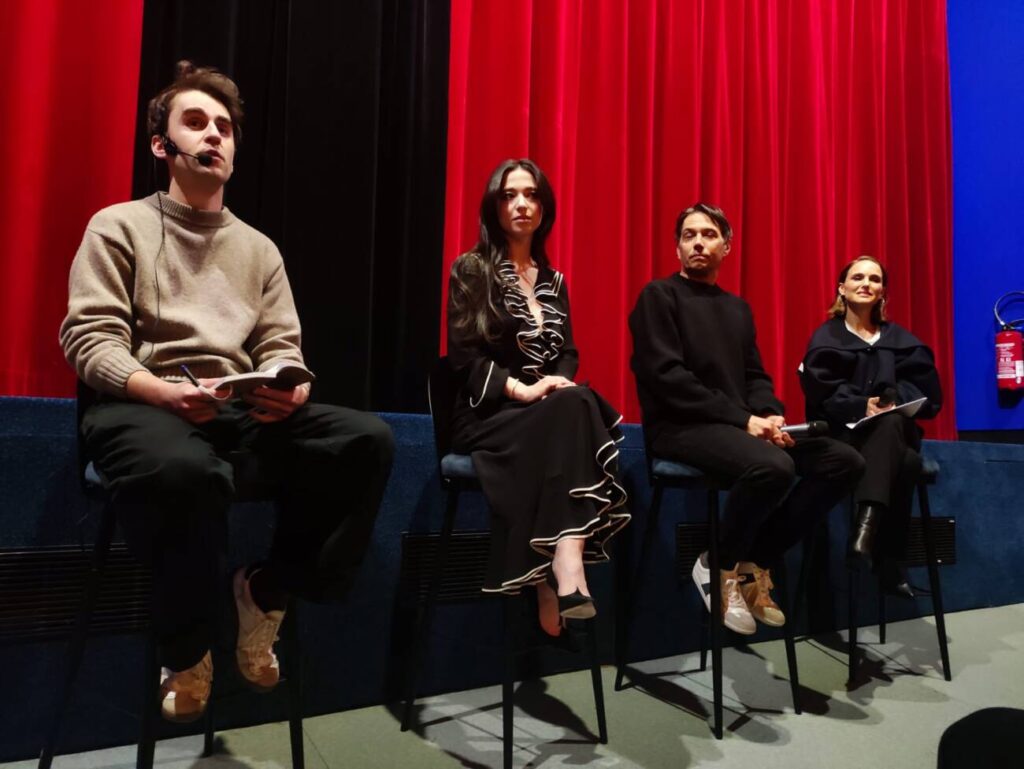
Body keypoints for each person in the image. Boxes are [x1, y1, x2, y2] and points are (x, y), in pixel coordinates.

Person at [59, 61, 394, 722]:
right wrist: (159, 390)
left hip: (234, 413)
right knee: (184, 467)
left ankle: (266, 590)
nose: (213, 134)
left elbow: (282, 346)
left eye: (224, 127)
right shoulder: (117, 225)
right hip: (141, 408)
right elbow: (89, 339)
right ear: (163, 145)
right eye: (196, 122)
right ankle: (186, 650)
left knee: (365, 441)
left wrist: (288, 391)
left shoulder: (259, 249)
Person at [629, 203, 864, 635]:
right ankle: (715, 565)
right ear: (678, 247)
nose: (698, 241)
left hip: (737, 426)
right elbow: (667, 379)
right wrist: (745, 420)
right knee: (773, 467)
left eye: (708, 234)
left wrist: (770, 413)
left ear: (727, 246)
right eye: (688, 235)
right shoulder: (658, 297)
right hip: (681, 427)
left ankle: (754, 562)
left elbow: (755, 375)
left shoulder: (737, 309)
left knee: (843, 461)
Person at [446, 158, 630, 640]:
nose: (521, 204)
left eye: (530, 195)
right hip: (491, 412)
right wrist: (524, 389)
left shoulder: (554, 281)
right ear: (494, 206)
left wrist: (556, 382)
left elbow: (567, 351)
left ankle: (559, 562)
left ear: (544, 207)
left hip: (546, 412)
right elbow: (464, 358)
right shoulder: (471, 269)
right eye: (509, 195)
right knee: (578, 408)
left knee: (576, 399)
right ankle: (561, 567)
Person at [801, 255, 942, 596]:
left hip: (891, 430)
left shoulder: (899, 338)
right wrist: (860, 404)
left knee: (890, 423)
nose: (866, 283)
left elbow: (927, 391)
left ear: (882, 292)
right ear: (842, 288)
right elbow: (821, 392)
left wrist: (893, 399)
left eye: (875, 279)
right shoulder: (827, 337)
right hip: (845, 435)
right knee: (905, 463)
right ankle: (888, 560)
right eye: (858, 277)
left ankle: (863, 536)